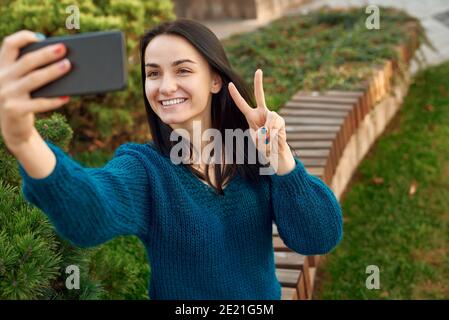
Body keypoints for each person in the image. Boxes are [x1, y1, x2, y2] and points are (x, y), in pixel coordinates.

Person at [0, 19, 343, 300]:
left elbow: (319, 237)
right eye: (153, 73)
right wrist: (23, 139)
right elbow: (89, 215)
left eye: (182, 70)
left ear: (214, 80)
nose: (164, 87)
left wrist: (282, 161)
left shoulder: (254, 150)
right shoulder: (144, 168)